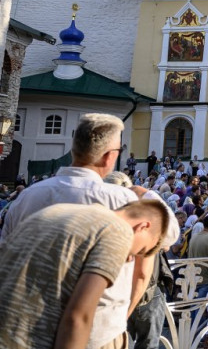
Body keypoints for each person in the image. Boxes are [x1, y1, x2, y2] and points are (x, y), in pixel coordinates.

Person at [0, 113, 177, 349]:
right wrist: (145, 194)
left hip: (26, 329)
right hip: (97, 332)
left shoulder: (28, 196)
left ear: (74, 149)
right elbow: (169, 232)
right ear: (109, 157)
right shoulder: (123, 202)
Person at [0, 200, 168, 349]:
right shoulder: (118, 230)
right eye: (140, 251)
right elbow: (78, 317)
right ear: (143, 227)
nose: (131, 258)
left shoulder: (54, 211)